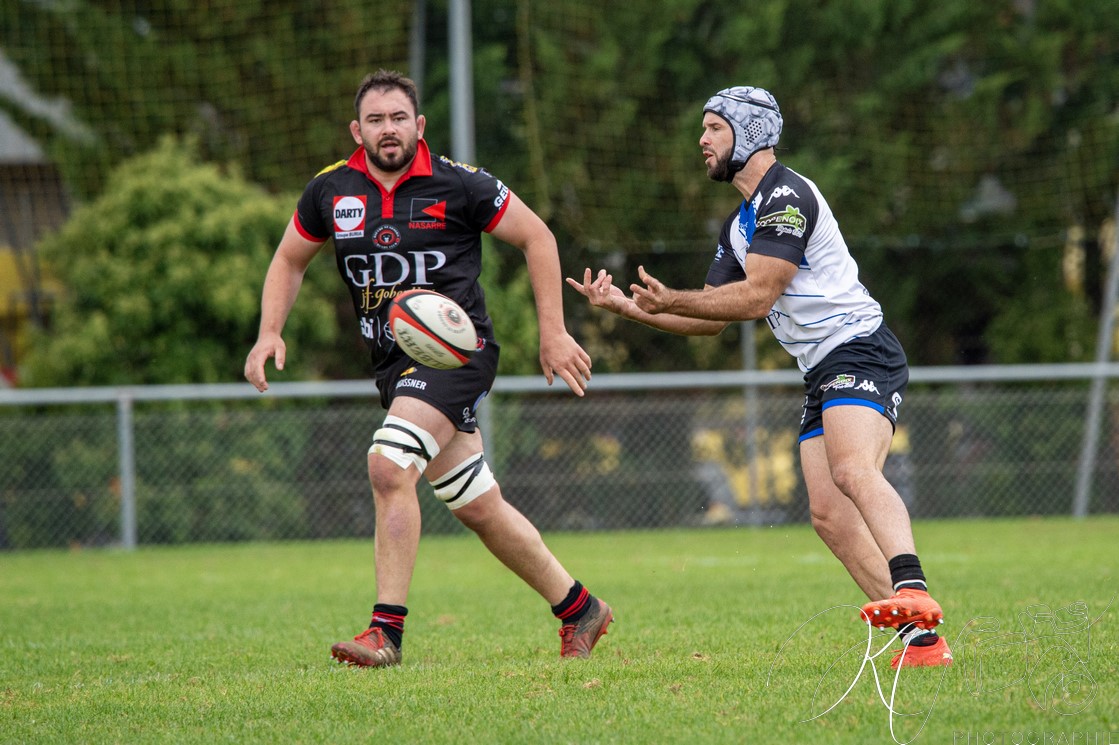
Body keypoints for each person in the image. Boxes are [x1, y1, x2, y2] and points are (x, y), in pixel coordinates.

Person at [567, 86, 950, 669]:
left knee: (851, 470)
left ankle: (913, 588)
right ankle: (922, 643)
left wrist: (674, 297)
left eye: (715, 127)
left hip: (859, 350)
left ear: (749, 133)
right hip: (821, 368)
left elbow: (756, 296)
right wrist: (626, 306)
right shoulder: (739, 225)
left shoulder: (786, 196)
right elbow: (710, 316)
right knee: (827, 515)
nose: (702, 139)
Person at [245, 69, 612, 668]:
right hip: (393, 365)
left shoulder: (461, 185)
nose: (387, 130)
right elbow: (289, 260)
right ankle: (580, 609)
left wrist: (554, 332)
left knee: (389, 466)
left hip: (457, 356)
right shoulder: (329, 192)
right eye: (374, 120)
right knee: (475, 503)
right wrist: (268, 332)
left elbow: (538, 238)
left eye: (397, 119)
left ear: (418, 125)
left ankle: (385, 633)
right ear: (356, 130)